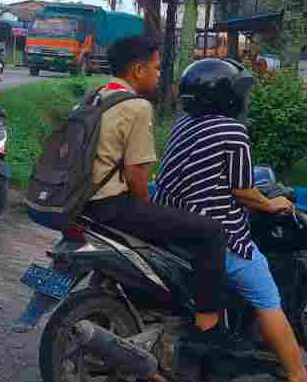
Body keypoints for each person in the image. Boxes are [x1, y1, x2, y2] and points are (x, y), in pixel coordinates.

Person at [155, 59, 307, 382]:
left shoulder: (184, 124)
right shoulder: (231, 130)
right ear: (227, 95)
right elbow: (242, 189)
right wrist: (272, 205)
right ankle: (301, 379)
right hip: (217, 232)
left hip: (170, 222)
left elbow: (211, 172)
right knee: (266, 294)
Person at [80, 35, 229, 339]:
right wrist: (146, 206)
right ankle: (208, 326)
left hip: (81, 202)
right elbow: (136, 173)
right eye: (157, 68)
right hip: (111, 206)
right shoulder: (136, 106)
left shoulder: (95, 94)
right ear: (137, 70)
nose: (159, 75)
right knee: (211, 231)